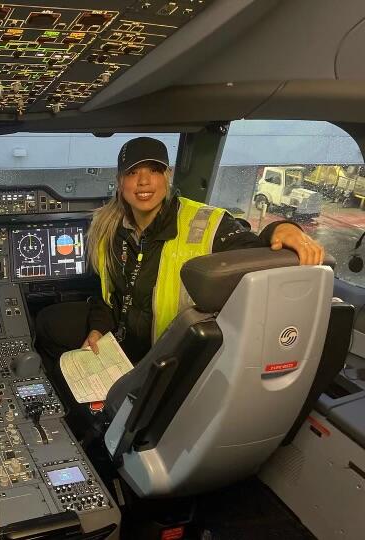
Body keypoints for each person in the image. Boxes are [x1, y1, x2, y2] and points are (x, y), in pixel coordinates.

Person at [36, 136, 325, 377]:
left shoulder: (204, 223)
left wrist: (282, 227)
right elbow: (108, 295)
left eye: (154, 170)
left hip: (169, 353)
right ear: (120, 182)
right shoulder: (109, 228)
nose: (144, 182)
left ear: (168, 176)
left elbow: (254, 251)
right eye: (133, 173)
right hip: (121, 340)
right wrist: (98, 329)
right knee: (48, 321)